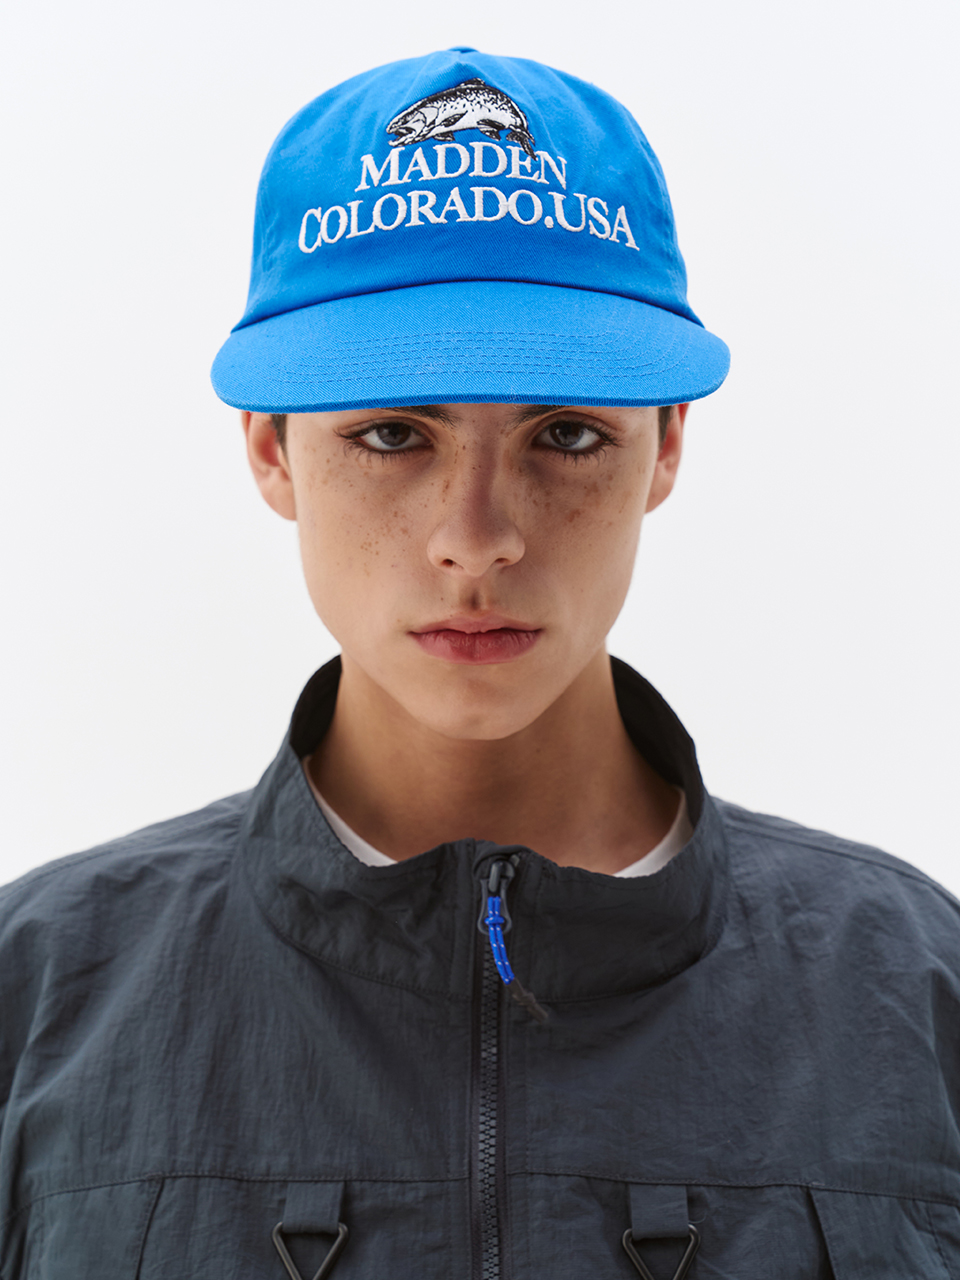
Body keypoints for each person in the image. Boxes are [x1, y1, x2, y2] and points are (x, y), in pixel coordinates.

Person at [1, 47, 958, 1280]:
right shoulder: (42, 993)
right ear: (271, 450)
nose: (477, 537)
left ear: (667, 444)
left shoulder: (911, 989)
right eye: (392, 433)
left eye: (567, 432)